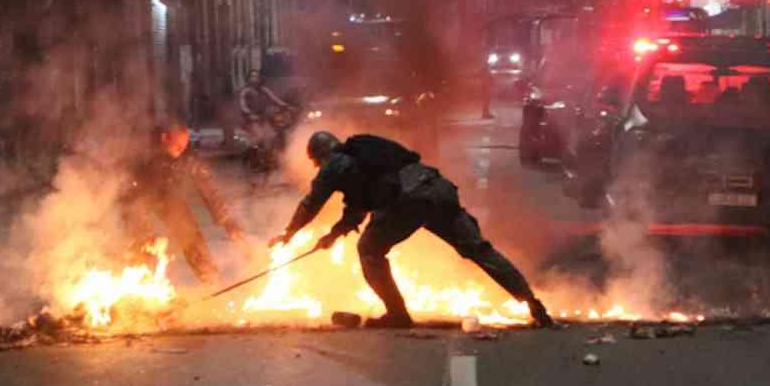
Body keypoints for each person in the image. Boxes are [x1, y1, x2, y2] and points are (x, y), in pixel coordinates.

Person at [267, 131, 555, 328]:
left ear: (321, 155)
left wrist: (288, 233)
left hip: (408, 200)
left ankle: (397, 315)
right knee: (478, 249)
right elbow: (359, 206)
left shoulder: (335, 164)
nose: (319, 166)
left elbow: (311, 203)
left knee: (369, 249)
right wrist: (332, 235)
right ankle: (533, 304)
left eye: (317, 162)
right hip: (438, 188)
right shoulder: (364, 151)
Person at [121, 125, 248, 287]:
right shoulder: (142, 153)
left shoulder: (187, 155)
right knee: (143, 243)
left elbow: (208, 187)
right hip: (138, 194)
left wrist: (228, 222)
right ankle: (141, 286)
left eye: (185, 145)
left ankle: (212, 280)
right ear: (164, 138)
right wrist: (145, 233)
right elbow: (130, 198)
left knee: (189, 233)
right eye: (178, 146)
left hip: (167, 195)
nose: (182, 150)